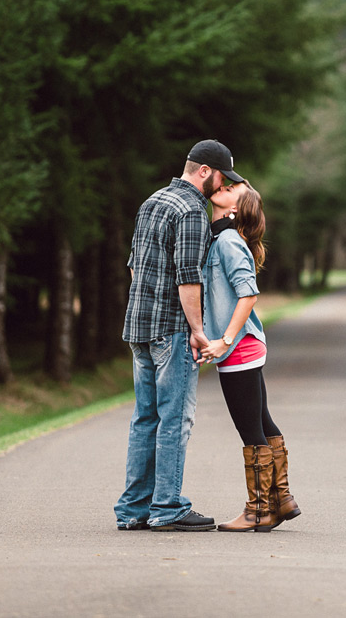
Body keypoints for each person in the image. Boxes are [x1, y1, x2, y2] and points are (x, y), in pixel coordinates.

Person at [115, 139, 245, 532]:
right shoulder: (191, 210)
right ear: (204, 170)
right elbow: (189, 278)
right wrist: (198, 331)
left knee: (145, 418)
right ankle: (167, 507)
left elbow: (136, 267)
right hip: (171, 332)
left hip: (139, 328)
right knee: (175, 419)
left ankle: (133, 510)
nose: (221, 186)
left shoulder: (153, 201)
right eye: (221, 178)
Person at [200, 181, 301, 532]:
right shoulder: (220, 238)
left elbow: (248, 295)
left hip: (239, 348)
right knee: (261, 422)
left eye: (232, 190)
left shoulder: (227, 242)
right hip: (246, 347)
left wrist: (224, 341)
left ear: (234, 210)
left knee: (251, 431)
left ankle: (258, 511)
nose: (223, 188)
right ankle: (281, 500)